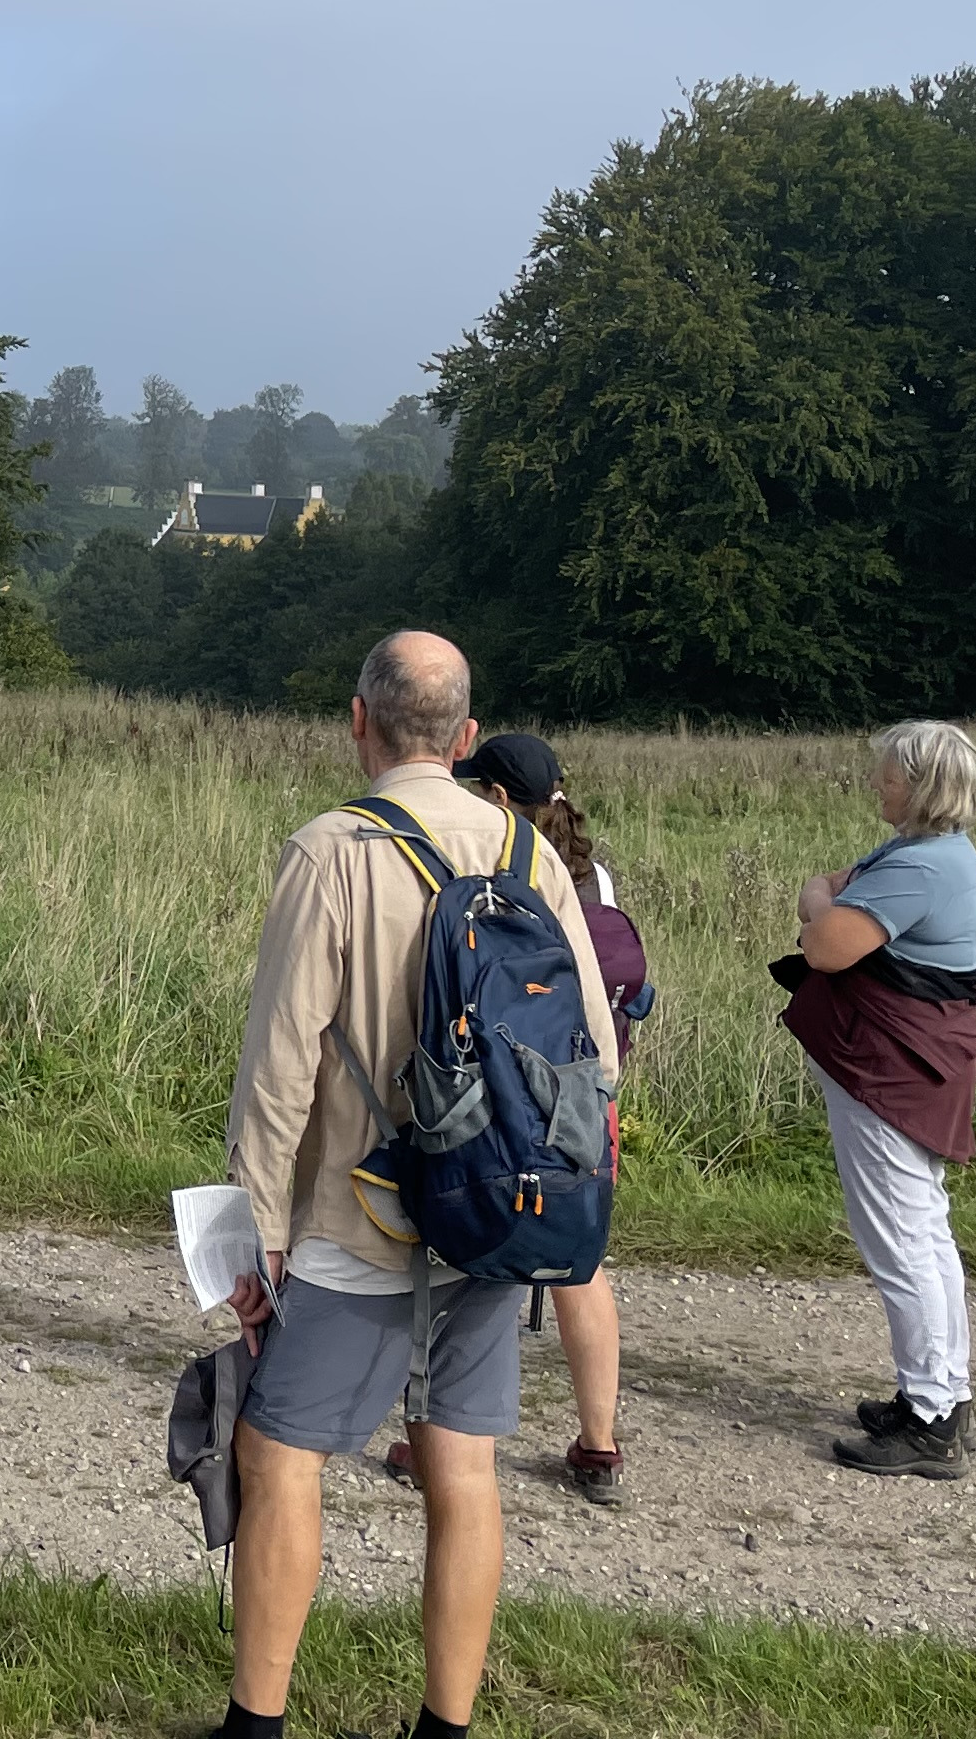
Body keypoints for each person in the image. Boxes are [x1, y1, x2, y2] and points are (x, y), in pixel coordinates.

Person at [218, 632, 621, 1739]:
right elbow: (599, 1051)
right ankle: (443, 1726)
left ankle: (256, 1722)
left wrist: (256, 1228)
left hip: (362, 1206)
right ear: (467, 737)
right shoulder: (531, 853)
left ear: (358, 721)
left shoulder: (332, 849)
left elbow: (280, 1062)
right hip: (496, 1204)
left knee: (279, 1449)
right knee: (461, 1460)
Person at [786, 717, 976, 1482]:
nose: (877, 782)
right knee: (924, 1234)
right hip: (905, 1066)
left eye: (889, 774)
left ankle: (930, 1418)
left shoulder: (921, 866)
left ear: (922, 786)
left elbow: (826, 942)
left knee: (900, 1241)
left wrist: (817, 897)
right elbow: (836, 910)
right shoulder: (934, 855)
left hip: (889, 1071)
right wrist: (828, 899)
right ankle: (943, 1397)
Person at [446, 729, 648, 1510]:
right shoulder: (596, 878)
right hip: (582, 1089)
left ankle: (437, 1432)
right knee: (579, 1260)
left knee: (464, 1249)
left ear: (497, 796)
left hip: (499, 1081)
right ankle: (598, 1443)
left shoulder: (487, 865)